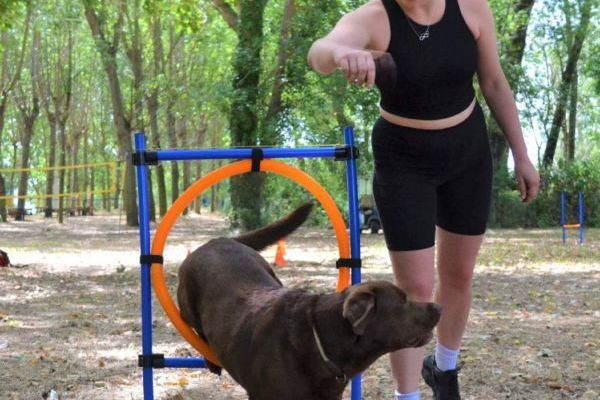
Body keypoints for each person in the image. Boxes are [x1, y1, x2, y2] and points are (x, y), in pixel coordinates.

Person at [307, 0, 540, 399]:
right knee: (414, 288)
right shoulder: (375, 16)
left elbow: (494, 83)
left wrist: (522, 155)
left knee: (459, 274)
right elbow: (319, 53)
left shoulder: (472, 9)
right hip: (403, 161)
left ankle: (444, 370)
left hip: (467, 153)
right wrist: (344, 53)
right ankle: (408, 394)